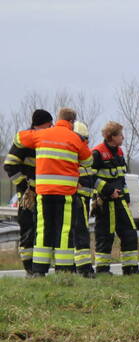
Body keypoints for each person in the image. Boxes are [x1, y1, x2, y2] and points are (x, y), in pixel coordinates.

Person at [17, 108, 92, 275]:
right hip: (65, 194)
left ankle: (38, 271)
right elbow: (88, 161)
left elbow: (19, 138)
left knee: (43, 229)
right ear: (71, 122)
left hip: (43, 193)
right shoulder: (75, 138)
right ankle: (64, 269)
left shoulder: (42, 134)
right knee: (64, 230)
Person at [4, 109, 52, 273]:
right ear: (42, 124)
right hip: (28, 194)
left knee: (41, 228)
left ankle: (38, 267)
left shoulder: (44, 141)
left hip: (42, 191)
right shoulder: (26, 140)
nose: (51, 127)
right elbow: (9, 165)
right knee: (28, 228)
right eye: (49, 125)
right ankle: (29, 269)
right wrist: (25, 188)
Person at [91, 122, 139, 275]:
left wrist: (125, 195)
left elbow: (121, 177)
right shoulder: (97, 153)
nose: (123, 138)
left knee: (130, 233)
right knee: (105, 236)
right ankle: (102, 269)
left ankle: (130, 268)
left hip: (120, 202)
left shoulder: (119, 153)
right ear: (111, 137)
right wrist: (108, 190)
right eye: (120, 135)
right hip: (104, 203)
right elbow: (90, 177)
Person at [71, 121, 97, 277]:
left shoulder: (84, 153)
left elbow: (92, 176)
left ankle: (78, 268)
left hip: (85, 200)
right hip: (77, 198)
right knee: (80, 234)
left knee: (80, 233)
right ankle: (84, 269)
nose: (86, 142)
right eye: (83, 138)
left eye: (87, 139)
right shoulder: (72, 153)